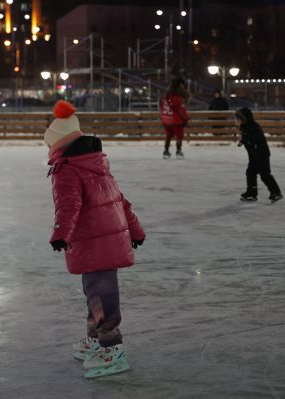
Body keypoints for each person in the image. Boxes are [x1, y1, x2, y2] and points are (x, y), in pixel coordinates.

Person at [45, 100, 146, 379]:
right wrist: (135, 230)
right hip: (106, 239)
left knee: (101, 294)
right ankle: (96, 338)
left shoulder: (66, 168)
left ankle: (112, 348)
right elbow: (119, 200)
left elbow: (68, 206)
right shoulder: (95, 162)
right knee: (96, 293)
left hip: (92, 240)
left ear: (57, 144)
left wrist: (60, 234)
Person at [235, 108, 282, 203]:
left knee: (265, 175)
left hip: (261, 155)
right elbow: (247, 138)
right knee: (250, 173)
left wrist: (245, 139)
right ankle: (252, 193)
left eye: (238, 119)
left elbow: (254, 139)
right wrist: (242, 141)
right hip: (254, 155)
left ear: (244, 118)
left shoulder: (254, 127)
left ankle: (276, 192)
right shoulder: (245, 127)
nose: (237, 121)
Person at [160, 77, 190, 159]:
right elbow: (181, 110)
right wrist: (186, 119)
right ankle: (178, 151)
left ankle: (166, 151)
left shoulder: (165, 97)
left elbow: (162, 107)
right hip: (177, 121)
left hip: (167, 119)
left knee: (168, 136)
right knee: (179, 136)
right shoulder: (178, 98)